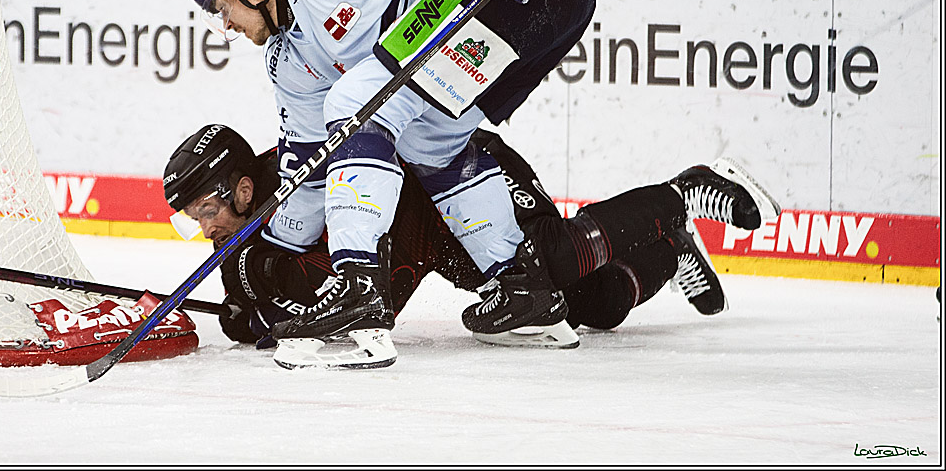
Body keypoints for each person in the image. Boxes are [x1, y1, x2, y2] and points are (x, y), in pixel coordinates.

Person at [186, 0, 597, 361]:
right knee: (431, 139)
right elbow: (309, 175)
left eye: (222, 9)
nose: (226, 26)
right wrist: (258, 250)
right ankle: (522, 286)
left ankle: (360, 288)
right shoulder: (289, 61)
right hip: (518, 17)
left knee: (355, 102)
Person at [163, 124, 781, 366]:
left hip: (467, 177)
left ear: (243, 188)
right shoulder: (256, 220)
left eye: (208, 211)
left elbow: (376, 295)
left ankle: (686, 192)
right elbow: (257, 296)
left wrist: (268, 294)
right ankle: (667, 246)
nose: (206, 229)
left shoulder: (309, 179)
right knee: (591, 304)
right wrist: (253, 306)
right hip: (447, 236)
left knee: (554, 261)